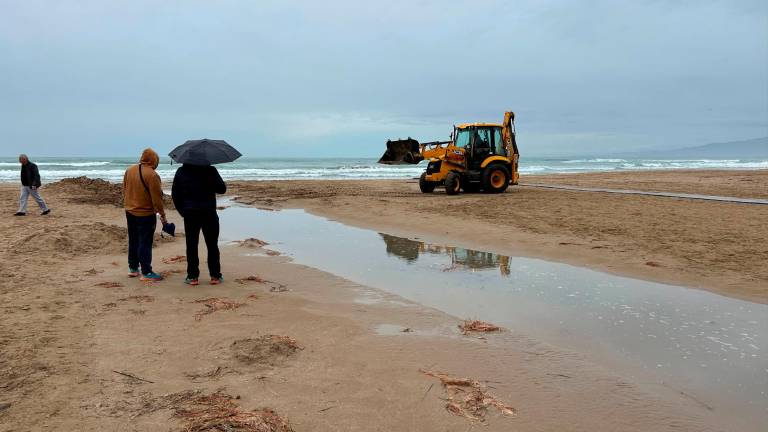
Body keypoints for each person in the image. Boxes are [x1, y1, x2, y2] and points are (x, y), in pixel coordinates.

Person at [171, 160, 226, 286]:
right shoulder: (210, 170)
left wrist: (182, 211)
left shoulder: (181, 171)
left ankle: (192, 276)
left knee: (191, 245)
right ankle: (215, 275)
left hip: (190, 213)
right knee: (212, 244)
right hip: (209, 212)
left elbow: (175, 194)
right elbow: (222, 189)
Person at [123, 148, 166, 281]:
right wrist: (162, 214)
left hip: (129, 210)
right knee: (145, 242)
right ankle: (146, 272)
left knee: (133, 239)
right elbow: (157, 198)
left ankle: (133, 268)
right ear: (153, 160)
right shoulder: (152, 175)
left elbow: (125, 189)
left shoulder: (129, 170)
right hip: (145, 213)